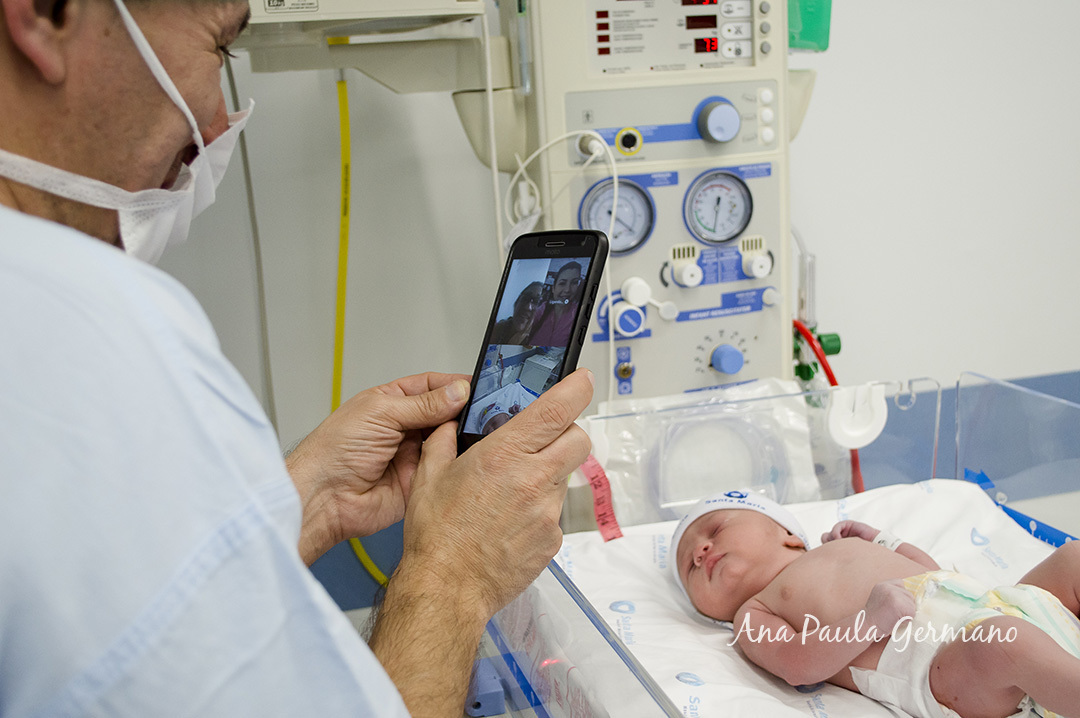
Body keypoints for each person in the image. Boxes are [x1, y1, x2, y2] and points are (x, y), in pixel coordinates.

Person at [0, 0, 593, 716]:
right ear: (43, 16)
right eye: (219, 47)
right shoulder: (100, 331)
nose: (217, 124)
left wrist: (303, 502)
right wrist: (457, 574)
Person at [671, 491, 1080, 718]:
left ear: (788, 535)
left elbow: (930, 573)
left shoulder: (844, 545)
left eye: (716, 529)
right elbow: (797, 664)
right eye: (690, 567)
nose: (701, 551)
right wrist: (868, 622)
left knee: (1072, 559)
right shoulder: (752, 614)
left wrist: (884, 540)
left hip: (996, 603)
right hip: (945, 669)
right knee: (1001, 643)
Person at [528, 261, 583, 346]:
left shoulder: (579, 315)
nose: (567, 290)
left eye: (574, 283)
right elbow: (526, 323)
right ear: (553, 288)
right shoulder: (543, 307)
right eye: (562, 283)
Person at [490, 281, 543, 345]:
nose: (528, 307)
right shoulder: (498, 329)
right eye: (525, 298)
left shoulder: (538, 342)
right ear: (516, 303)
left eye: (537, 301)